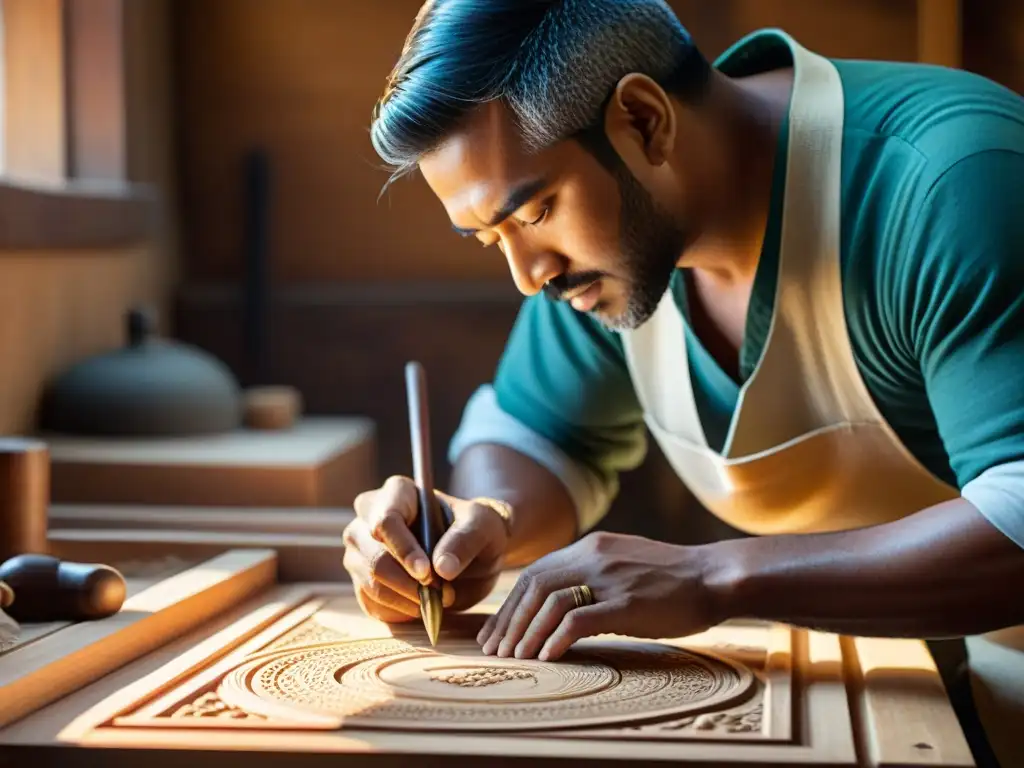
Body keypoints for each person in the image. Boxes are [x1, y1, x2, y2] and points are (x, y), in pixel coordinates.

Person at [344, 1, 1024, 764]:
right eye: (489, 238)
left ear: (642, 120)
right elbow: (535, 437)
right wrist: (480, 522)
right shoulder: (606, 251)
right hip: (886, 693)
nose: (528, 276)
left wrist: (714, 577)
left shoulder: (950, 185)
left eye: (534, 212)